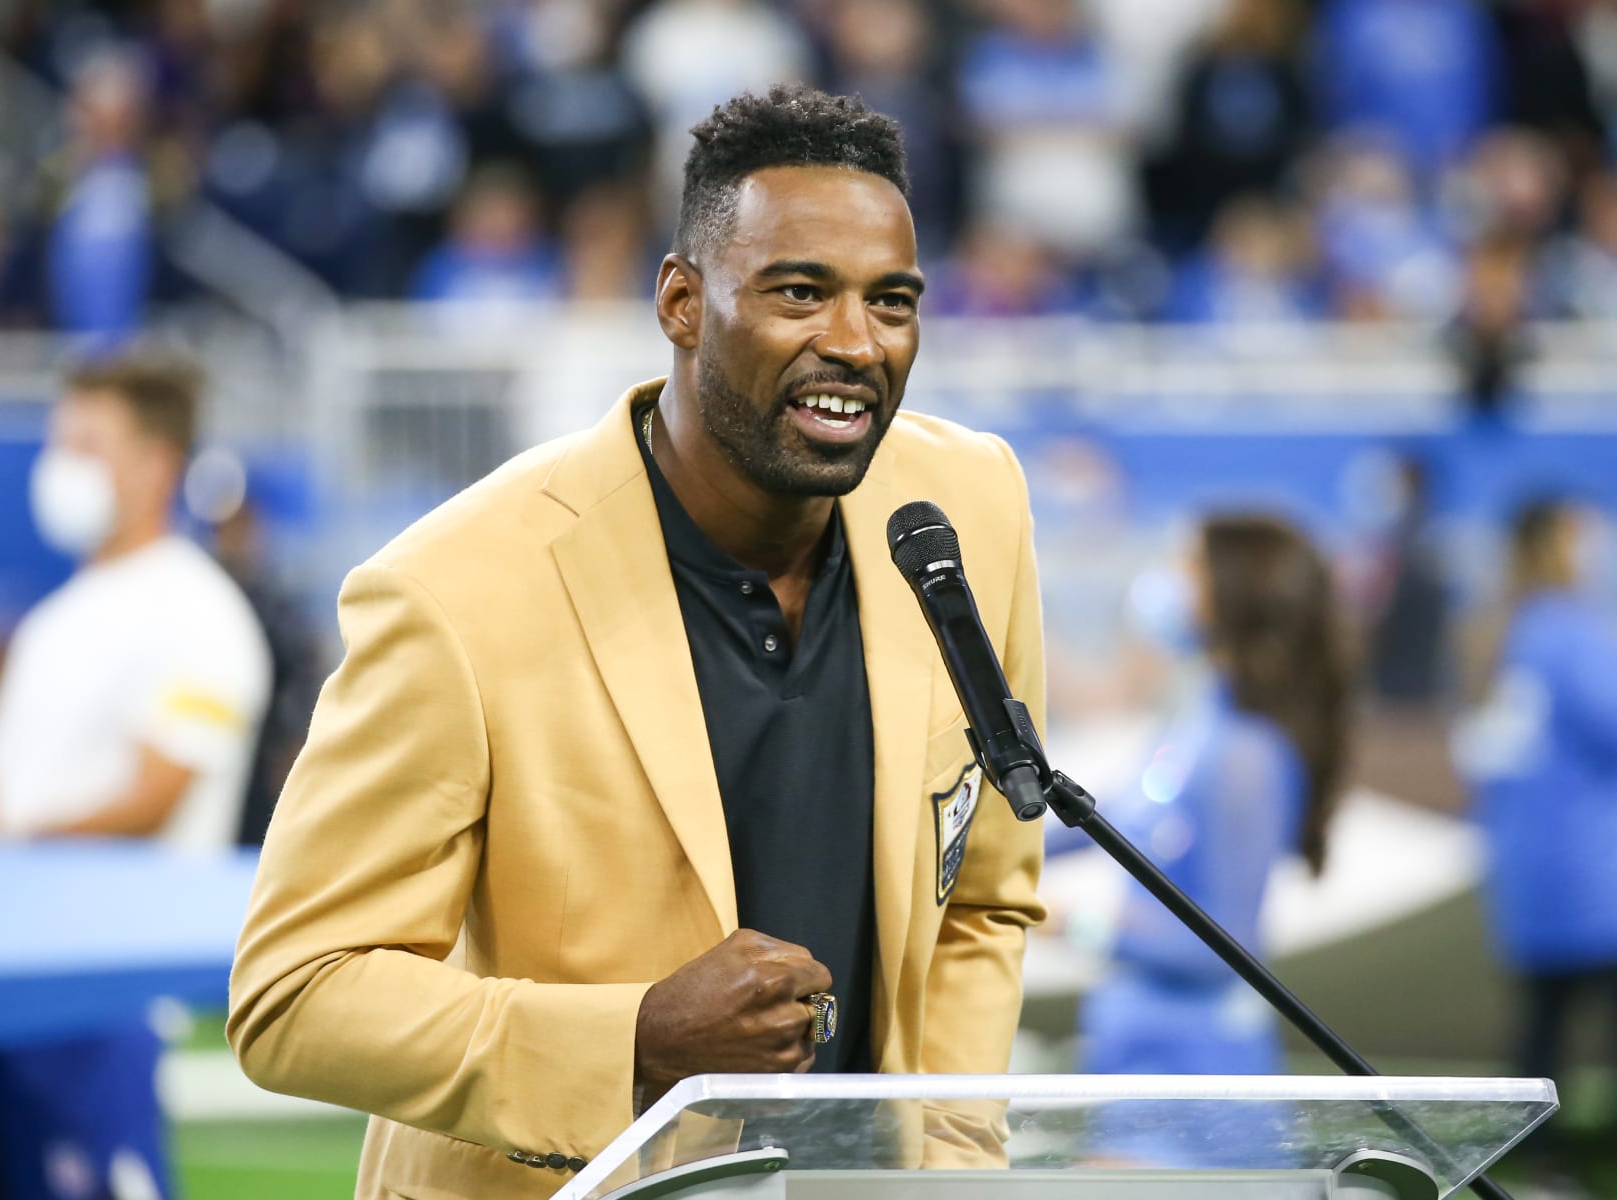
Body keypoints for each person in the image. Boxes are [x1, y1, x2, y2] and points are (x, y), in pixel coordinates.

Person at [229, 85, 1049, 1199]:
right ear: (681, 302)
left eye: (892, 302)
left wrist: (942, 1169)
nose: (855, 343)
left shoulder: (969, 509)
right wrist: (633, 1042)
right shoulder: (457, 590)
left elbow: (985, 898)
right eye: (799, 292)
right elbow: (294, 994)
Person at [0, 354, 273, 1199]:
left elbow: (154, 794)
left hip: (92, 993)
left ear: (155, 466)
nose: (61, 465)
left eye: (87, 443)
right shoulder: (55, 620)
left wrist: (7, 834)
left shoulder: (197, 611)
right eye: (58, 441)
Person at [1079, 514, 1351, 1079]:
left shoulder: (1245, 757)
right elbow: (1102, 818)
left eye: (1187, 565)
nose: (1165, 581)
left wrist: (1072, 925)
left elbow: (1221, 949)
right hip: (1134, 1052)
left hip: (1197, 1072)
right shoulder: (1193, 721)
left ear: (1230, 590)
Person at [1458, 498, 1617, 1126]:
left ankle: (1536, 1164)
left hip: (1529, 865)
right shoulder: (1571, 633)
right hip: (1589, 865)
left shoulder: (1499, 629)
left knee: (1541, 1030)